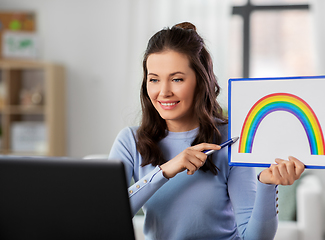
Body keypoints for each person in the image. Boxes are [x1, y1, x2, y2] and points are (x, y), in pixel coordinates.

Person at [109, 22, 305, 240]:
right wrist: (165, 171)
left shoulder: (230, 138)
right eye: (154, 79)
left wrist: (268, 185)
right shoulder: (130, 141)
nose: (163, 92)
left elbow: (254, 237)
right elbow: (105, 217)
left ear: (201, 82)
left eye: (177, 79)